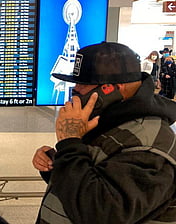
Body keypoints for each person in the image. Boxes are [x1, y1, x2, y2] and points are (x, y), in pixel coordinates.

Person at [32, 42, 176, 223]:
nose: (75, 90)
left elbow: (100, 211)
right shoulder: (107, 122)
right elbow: (89, 182)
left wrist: (69, 143)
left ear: (111, 89)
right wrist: (55, 164)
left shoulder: (150, 145)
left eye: (83, 84)